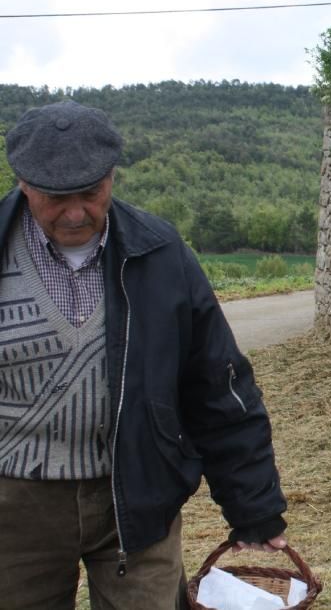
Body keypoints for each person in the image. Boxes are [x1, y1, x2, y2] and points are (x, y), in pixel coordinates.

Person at [0, 100, 288, 610]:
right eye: (54, 197)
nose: (74, 213)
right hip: (15, 509)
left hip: (138, 492)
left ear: (112, 177)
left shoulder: (159, 253)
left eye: (90, 194)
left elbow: (216, 383)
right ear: (24, 183)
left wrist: (254, 507)